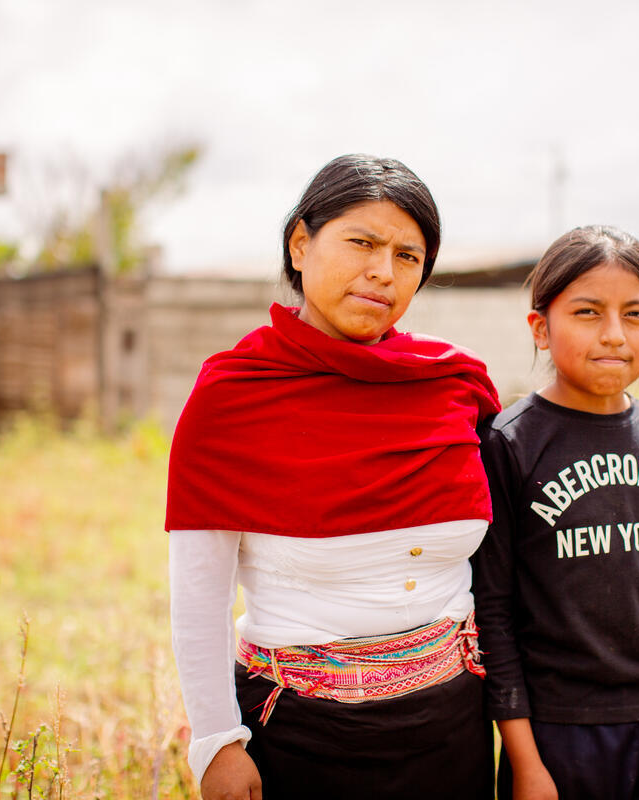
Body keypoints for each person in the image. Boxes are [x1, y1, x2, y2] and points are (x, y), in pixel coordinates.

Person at [166, 154, 500, 800]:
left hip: (454, 729)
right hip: (299, 734)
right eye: (362, 243)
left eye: (409, 256)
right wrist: (215, 743)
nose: (384, 271)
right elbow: (199, 598)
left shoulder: (453, 385)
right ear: (300, 244)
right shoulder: (232, 398)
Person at [472, 225, 639, 800]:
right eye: (588, 312)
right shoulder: (507, 444)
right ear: (541, 328)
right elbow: (492, 611)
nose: (614, 335)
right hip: (563, 731)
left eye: (636, 315)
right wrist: (525, 762)